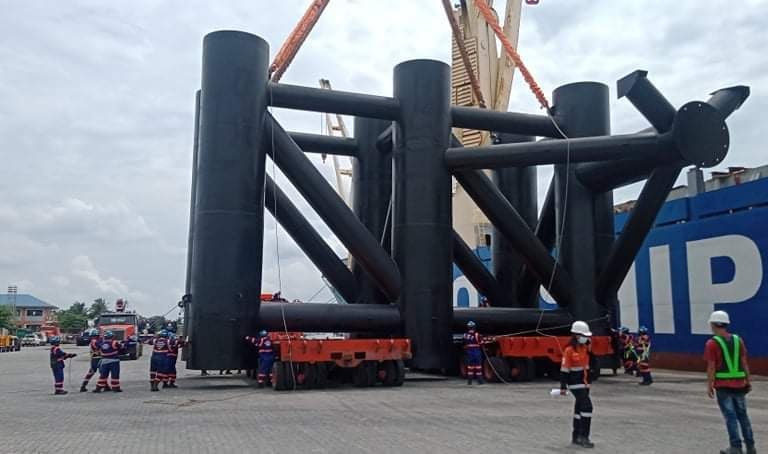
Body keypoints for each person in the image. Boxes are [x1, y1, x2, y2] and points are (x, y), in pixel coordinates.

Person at [705, 310, 756, 454]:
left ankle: (736, 447)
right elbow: (744, 362)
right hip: (740, 384)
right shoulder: (738, 340)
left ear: (713, 324)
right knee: (743, 416)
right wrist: (748, 380)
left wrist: (709, 385)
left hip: (723, 386)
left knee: (730, 417)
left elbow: (711, 366)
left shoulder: (712, 343)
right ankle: (751, 447)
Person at [560, 321, 595, 449]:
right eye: (584, 335)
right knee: (587, 407)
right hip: (575, 384)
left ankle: (576, 436)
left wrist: (591, 351)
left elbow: (592, 364)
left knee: (579, 409)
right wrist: (563, 386)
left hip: (585, 383)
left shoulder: (586, 348)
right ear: (576, 335)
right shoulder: (569, 350)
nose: (586, 338)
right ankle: (584, 436)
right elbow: (564, 370)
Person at [463, 321, 484, 385]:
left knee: (470, 367)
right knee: (478, 367)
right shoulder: (477, 334)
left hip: (469, 352)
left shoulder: (465, 335)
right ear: (474, 327)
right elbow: (481, 343)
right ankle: (480, 381)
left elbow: (464, 343)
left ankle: (469, 381)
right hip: (476, 352)